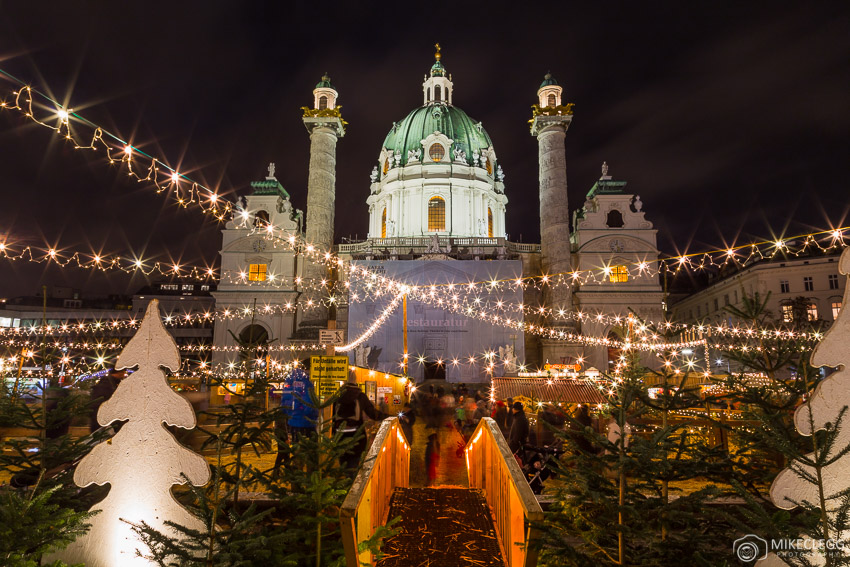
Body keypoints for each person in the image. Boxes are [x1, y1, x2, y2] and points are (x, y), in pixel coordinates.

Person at [274, 366, 318, 475]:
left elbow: (284, 405)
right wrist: (314, 414)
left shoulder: (288, 384)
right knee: (312, 455)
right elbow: (309, 405)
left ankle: (296, 482)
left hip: (293, 424)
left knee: (297, 454)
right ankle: (311, 480)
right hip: (307, 424)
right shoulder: (306, 384)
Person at [333, 373, 382, 470]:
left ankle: (344, 481)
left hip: (340, 436)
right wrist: (391, 416)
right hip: (357, 437)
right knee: (354, 465)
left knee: (343, 464)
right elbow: (373, 414)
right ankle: (352, 481)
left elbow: (332, 416)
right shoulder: (360, 396)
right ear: (355, 380)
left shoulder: (338, 396)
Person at [89, 368, 124, 433]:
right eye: (123, 371)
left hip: (109, 424)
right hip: (106, 425)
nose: (124, 374)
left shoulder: (113, 384)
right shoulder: (106, 385)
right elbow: (98, 406)